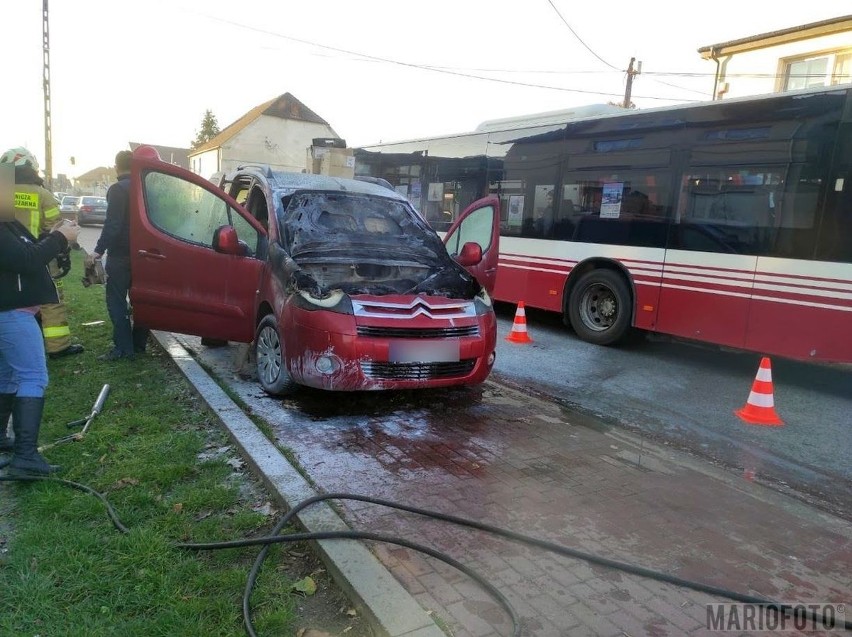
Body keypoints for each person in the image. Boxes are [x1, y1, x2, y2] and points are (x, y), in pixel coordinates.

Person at [0, 177, 81, 475]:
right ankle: (25, 457)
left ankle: (5, 445)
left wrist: (56, 236)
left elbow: (29, 249)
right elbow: (26, 259)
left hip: (11, 312)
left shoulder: (7, 223)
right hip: (11, 314)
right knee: (33, 376)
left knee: (8, 377)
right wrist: (61, 237)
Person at [0, 147, 84, 359]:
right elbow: (55, 225)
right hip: (42, 252)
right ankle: (58, 346)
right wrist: (61, 252)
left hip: (8, 255)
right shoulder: (42, 194)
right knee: (51, 300)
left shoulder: (2, 191)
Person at [88, 150, 149, 360]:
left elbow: (113, 224)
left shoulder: (118, 190)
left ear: (116, 166)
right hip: (146, 256)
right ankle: (139, 343)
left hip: (121, 255)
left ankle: (123, 348)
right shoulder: (146, 189)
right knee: (142, 301)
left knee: (116, 301)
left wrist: (98, 250)